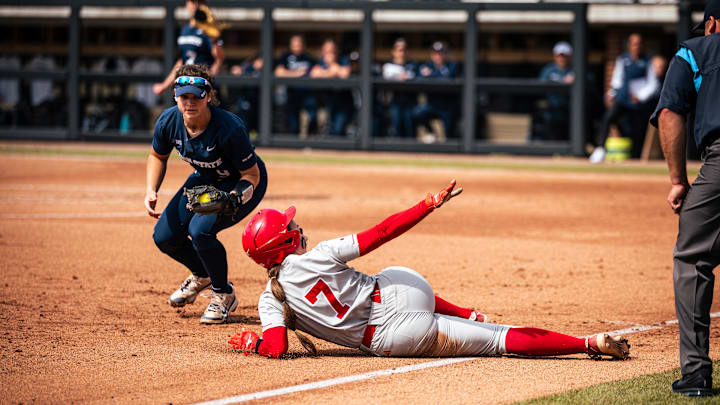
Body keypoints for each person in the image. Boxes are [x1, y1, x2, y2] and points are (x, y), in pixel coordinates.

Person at [229, 180, 630, 361]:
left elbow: (277, 347)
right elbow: (382, 232)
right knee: (385, 274)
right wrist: (426, 204)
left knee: (498, 343)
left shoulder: (270, 299)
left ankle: (588, 344)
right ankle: (468, 313)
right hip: (403, 292)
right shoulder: (318, 254)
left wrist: (252, 341)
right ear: (283, 242)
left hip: (392, 338)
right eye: (291, 228)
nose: (297, 227)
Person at [144, 64, 267, 324]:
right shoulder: (168, 121)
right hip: (206, 180)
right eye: (184, 96)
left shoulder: (229, 128)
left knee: (201, 231)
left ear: (208, 95)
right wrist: (151, 189)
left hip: (241, 182)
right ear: (175, 95)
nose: (190, 102)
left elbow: (252, 175)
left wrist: (234, 197)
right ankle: (202, 274)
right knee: (164, 236)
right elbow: (157, 156)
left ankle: (223, 295)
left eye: (196, 96)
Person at [649, 0, 720, 397]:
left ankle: (696, 374)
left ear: (711, 22)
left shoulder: (696, 50)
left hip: (719, 162)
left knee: (693, 257)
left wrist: (678, 179)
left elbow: (670, 112)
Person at [590, 33, 660, 162]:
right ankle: (600, 149)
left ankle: (636, 157)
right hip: (623, 99)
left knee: (638, 131)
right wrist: (611, 93)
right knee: (608, 118)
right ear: (629, 46)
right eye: (634, 44)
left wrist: (640, 96)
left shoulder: (647, 61)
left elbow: (653, 84)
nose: (636, 47)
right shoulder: (622, 59)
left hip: (638, 103)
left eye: (638, 44)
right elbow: (617, 79)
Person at [152, 0, 225, 96]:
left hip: (201, 84)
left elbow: (219, 58)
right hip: (185, 84)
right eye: (193, 2)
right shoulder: (185, 30)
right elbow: (182, 62)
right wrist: (164, 85)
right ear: (187, 4)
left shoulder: (207, 29)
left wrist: (214, 39)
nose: (196, 5)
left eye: (200, 2)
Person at [412, 41, 460, 143]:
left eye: (441, 53)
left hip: (448, 106)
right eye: (435, 53)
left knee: (450, 136)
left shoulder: (452, 65)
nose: (438, 56)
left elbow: (449, 80)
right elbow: (420, 79)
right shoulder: (427, 66)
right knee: (417, 113)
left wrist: (431, 76)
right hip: (432, 105)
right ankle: (432, 133)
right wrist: (437, 77)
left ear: (445, 54)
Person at [532, 41, 575, 142]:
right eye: (559, 55)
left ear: (569, 57)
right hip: (552, 109)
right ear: (555, 56)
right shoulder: (548, 70)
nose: (562, 58)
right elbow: (541, 85)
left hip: (570, 110)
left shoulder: (575, 70)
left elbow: (589, 79)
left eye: (564, 56)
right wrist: (562, 82)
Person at [274, 35, 317, 136]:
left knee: (312, 116)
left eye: (299, 44)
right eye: (295, 45)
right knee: (293, 123)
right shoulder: (285, 56)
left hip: (307, 93)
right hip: (292, 93)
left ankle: (310, 139)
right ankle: (294, 146)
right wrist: (297, 73)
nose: (297, 47)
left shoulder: (308, 57)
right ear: (291, 46)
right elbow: (278, 72)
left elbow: (315, 71)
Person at [310, 39, 354, 136]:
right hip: (327, 101)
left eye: (332, 50)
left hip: (344, 101)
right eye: (327, 50)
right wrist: (333, 72)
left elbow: (345, 73)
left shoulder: (343, 60)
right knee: (328, 129)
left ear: (336, 50)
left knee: (339, 129)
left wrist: (331, 66)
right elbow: (314, 74)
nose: (329, 53)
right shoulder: (320, 62)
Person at [382, 38, 419, 139]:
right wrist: (400, 76)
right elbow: (387, 75)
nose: (402, 53)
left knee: (410, 129)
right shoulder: (388, 65)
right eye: (399, 50)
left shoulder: (413, 65)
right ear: (393, 52)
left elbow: (413, 75)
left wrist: (399, 76)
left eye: (404, 50)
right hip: (395, 100)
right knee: (396, 126)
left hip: (410, 101)